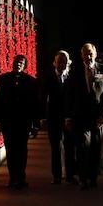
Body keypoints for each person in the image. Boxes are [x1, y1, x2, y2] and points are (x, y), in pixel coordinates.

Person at [65, 43, 103, 190]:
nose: (88, 56)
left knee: (95, 148)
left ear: (95, 54)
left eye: (90, 53)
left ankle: (93, 178)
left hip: (97, 117)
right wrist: (68, 117)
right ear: (81, 56)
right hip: (79, 117)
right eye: (85, 54)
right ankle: (84, 178)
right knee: (82, 147)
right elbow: (69, 95)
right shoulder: (75, 71)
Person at [0, 55, 40, 190]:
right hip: (8, 122)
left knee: (22, 150)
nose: (18, 64)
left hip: (23, 122)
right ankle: (12, 177)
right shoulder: (4, 79)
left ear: (25, 65)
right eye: (17, 62)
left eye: (21, 63)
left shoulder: (31, 81)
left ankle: (21, 177)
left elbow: (35, 104)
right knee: (10, 150)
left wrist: (36, 124)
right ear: (13, 64)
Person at [40, 50, 77, 184]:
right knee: (55, 147)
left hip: (69, 117)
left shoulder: (73, 77)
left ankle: (71, 175)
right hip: (53, 117)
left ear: (68, 63)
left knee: (70, 147)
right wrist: (43, 117)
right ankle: (56, 176)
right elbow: (43, 97)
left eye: (64, 61)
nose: (61, 64)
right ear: (54, 63)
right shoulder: (49, 77)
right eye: (59, 61)